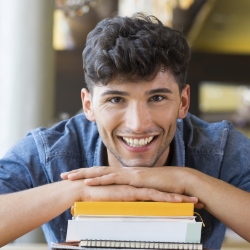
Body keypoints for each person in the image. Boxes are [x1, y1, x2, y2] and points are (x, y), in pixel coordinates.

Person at [0, 13, 250, 249]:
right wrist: (77, 190)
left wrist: (189, 180)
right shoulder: (50, 152)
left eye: (157, 98)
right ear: (89, 105)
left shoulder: (220, 149)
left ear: (183, 102)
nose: (138, 124)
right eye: (116, 100)